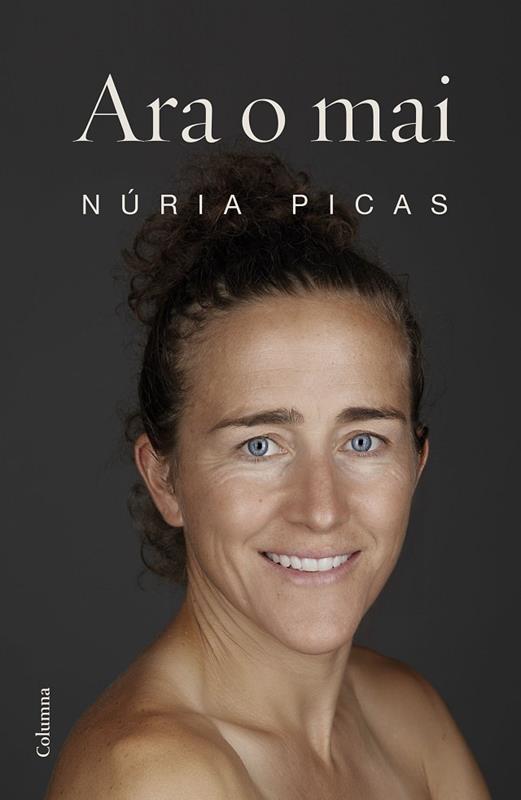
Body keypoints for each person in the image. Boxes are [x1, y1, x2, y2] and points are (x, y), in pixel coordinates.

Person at [45, 152, 491, 799]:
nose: (321, 509)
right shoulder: (157, 778)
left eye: (362, 441)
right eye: (259, 446)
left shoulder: (407, 714)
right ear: (166, 479)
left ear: (415, 464)